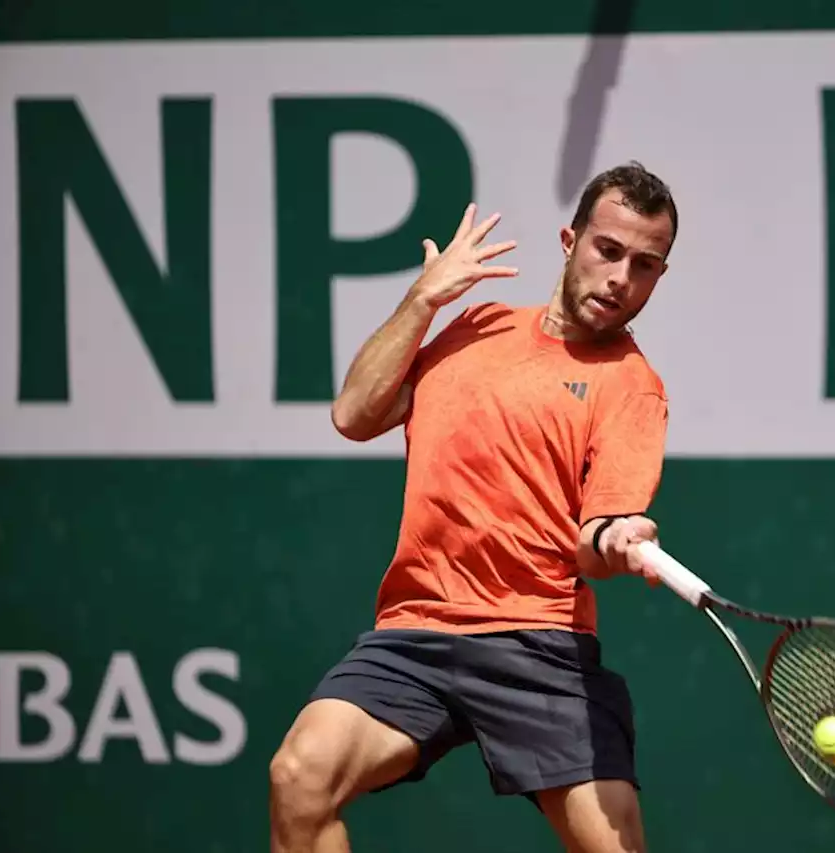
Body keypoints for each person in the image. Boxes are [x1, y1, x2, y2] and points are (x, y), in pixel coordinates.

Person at [269, 161, 679, 853]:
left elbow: (595, 533)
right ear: (570, 239)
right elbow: (354, 412)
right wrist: (423, 299)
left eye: (644, 265)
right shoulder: (478, 324)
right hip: (416, 631)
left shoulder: (633, 388)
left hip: (540, 642)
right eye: (608, 250)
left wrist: (614, 536)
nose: (620, 279)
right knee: (299, 777)